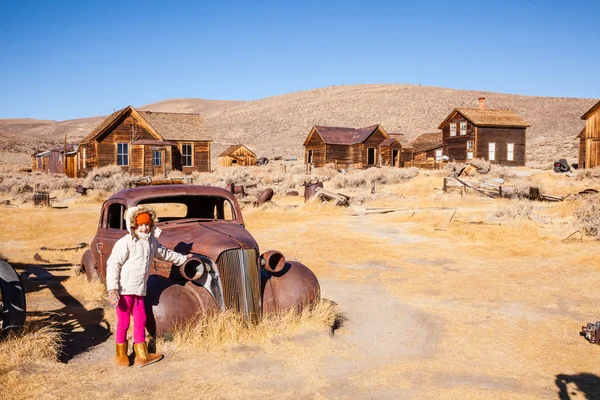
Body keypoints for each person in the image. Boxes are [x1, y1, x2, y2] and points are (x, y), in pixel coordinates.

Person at [106, 205, 192, 367]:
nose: (144, 227)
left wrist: (183, 259)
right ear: (133, 224)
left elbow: (165, 253)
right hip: (123, 290)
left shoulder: (151, 242)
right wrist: (112, 289)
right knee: (123, 321)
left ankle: (142, 355)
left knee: (141, 319)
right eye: (141, 224)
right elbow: (113, 264)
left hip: (139, 290)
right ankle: (121, 355)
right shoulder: (125, 242)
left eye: (147, 224)